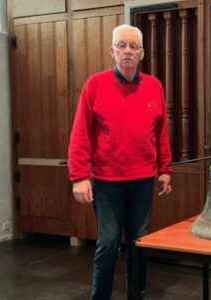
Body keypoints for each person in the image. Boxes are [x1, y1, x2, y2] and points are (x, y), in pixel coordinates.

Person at [68, 24, 173, 300]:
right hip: (107, 182)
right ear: (112, 50)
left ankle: (135, 295)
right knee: (109, 244)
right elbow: (80, 132)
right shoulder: (95, 84)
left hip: (142, 180)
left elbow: (160, 132)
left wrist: (165, 170)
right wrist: (79, 176)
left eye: (133, 46)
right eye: (122, 45)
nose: (127, 51)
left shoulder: (154, 86)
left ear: (142, 54)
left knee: (140, 244)